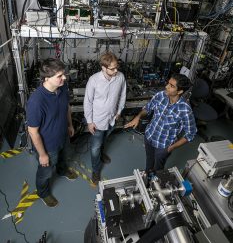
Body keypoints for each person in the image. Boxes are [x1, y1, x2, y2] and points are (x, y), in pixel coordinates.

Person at [26, 58, 77, 208]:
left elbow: (66, 107)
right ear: (46, 78)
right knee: (45, 173)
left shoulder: (62, 88)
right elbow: (33, 132)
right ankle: (43, 192)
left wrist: (70, 124)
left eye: (64, 74)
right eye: (60, 76)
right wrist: (42, 154)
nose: (64, 78)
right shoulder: (36, 101)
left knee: (64, 157)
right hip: (48, 146)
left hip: (63, 136)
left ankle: (62, 170)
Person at [124, 73, 197, 173]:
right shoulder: (160, 95)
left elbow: (191, 134)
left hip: (163, 146)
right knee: (149, 161)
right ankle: (147, 174)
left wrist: (170, 148)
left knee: (158, 169)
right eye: (168, 83)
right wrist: (138, 116)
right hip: (149, 136)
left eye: (171, 86)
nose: (166, 87)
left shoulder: (185, 109)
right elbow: (148, 108)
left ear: (180, 91)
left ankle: (155, 180)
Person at [84, 52, 126, 184]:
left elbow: (123, 95)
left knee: (105, 139)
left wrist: (119, 111)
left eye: (116, 67)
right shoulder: (94, 80)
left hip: (112, 118)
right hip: (97, 121)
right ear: (103, 67)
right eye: (112, 68)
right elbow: (88, 101)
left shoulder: (120, 77)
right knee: (95, 147)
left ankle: (102, 154)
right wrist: (89, 122)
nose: (116, 70)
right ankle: (96, 171)